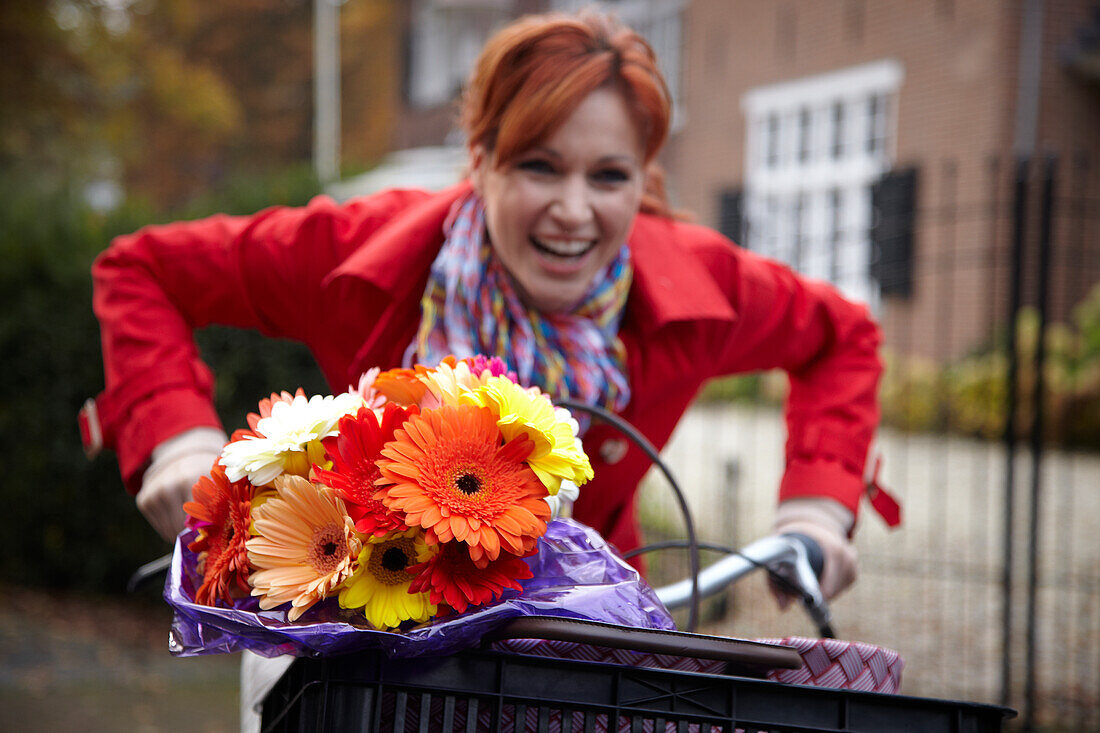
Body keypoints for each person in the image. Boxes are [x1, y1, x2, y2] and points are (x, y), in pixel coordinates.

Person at [86, 10, 882, 728]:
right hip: (358, 639)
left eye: (609, 176)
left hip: (583, 651)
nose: (575, 209)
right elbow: (141, 269)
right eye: (540, 166)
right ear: (482, 157)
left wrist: (815, 510)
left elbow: (842, 334)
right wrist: (178, 439)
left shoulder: (696, 286)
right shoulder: (356, 254)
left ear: (643, 179)